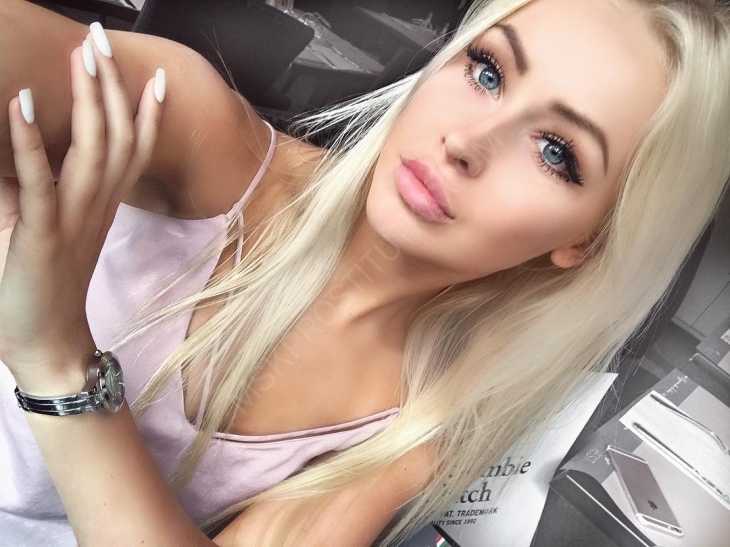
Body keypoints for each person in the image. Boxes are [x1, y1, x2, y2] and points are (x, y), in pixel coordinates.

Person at [0, 0, 728, 545]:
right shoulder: (207, 138)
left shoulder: (414, 428)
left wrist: (56, 358)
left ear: (586, 243)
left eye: (556, 152)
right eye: (487, 71)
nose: (467, 141)